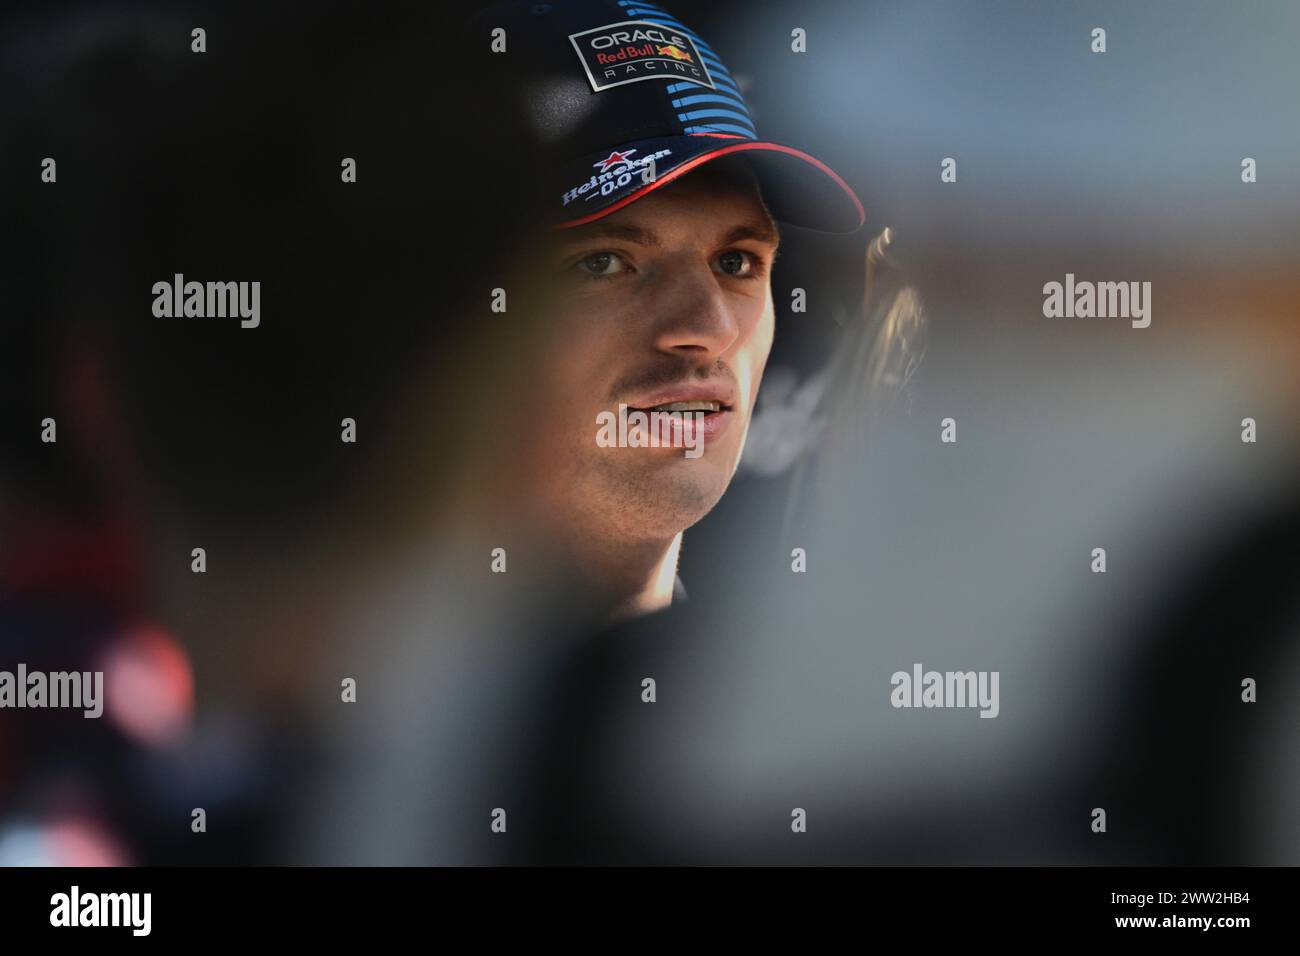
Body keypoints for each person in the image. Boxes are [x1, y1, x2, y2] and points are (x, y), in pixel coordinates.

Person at [475, 0, 866, 617]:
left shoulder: (800, 701)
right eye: (601, 262)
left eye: (736, 262)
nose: (706, 330)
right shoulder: (319, 698)